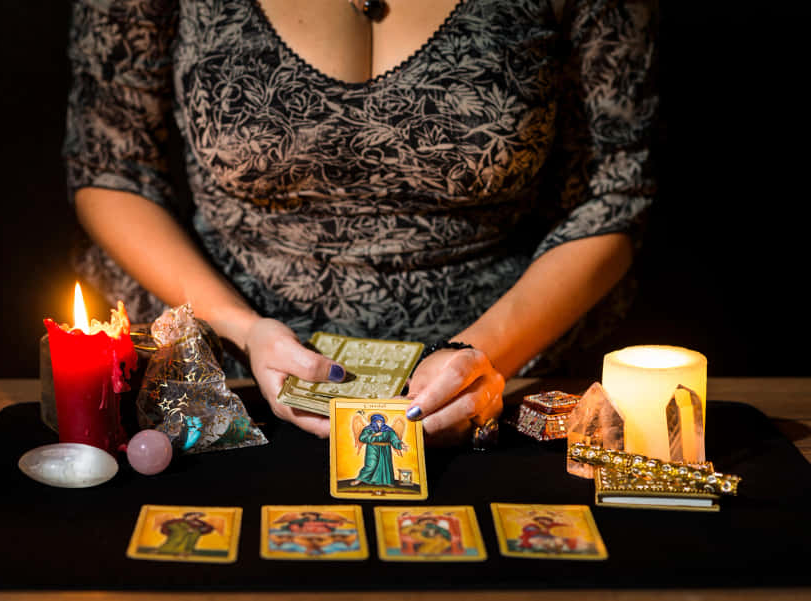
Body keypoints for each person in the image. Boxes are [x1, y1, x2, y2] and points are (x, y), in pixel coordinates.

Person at [64, 0, 657, 444]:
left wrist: (486, 354)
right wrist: (241, 329)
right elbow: (111, 168)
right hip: (218, 381)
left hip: (498, 380)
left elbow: (618, 189)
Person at [353, 413, 408, 486]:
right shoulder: (368, 429)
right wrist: (373, 435)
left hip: (385, 449)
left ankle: (387, 482)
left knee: (385, 465)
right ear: (373, 421)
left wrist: (400, 444)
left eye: (381, 421)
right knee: (371, 465)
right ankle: (360, 479)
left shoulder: (388, 430)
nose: (379, 423)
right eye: (377, 421)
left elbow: (394, 439)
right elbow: (362, 438)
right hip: (372, 448)